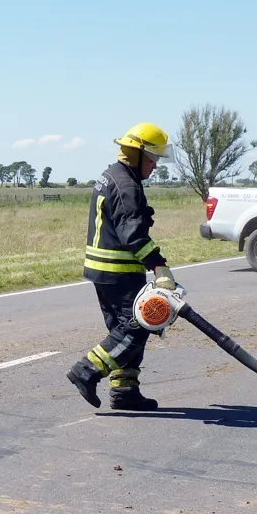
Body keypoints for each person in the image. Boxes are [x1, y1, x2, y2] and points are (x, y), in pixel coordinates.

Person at [65, 122, 176, 411]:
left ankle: (125, 390)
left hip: (105, 270)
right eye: (152, 159)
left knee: (121, 328)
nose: (155, 166)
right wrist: (160, 266)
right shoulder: (126, 185)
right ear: (137, 154)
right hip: (118, 271)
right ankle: (86, 371)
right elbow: (133, 236)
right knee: (137, 328)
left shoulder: (112, 175)